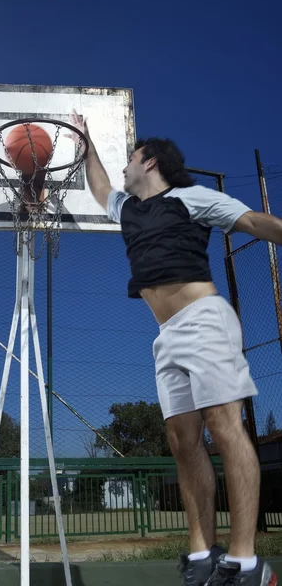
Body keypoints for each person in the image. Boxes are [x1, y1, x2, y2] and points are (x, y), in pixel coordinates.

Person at [67, 111, 279, 586]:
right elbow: (100, 186)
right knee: (183, 443)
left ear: (151, 161)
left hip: (205, 321)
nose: (124, 166)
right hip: (166, 336)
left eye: (130, 158)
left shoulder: (192, 198)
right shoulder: (127, 208)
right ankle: (202, 554)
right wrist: (85, 144)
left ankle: (246, 563)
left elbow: (253, 221)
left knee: (224, 428)